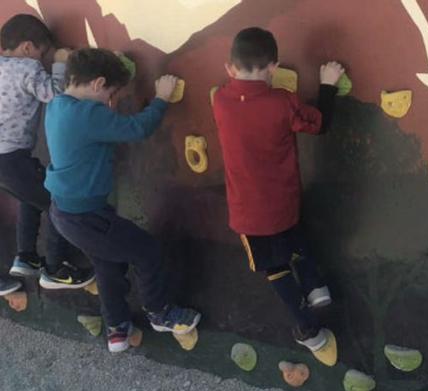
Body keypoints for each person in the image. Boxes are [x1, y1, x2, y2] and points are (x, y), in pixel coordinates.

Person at [43, 48, 200, 353]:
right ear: (98, 84)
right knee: (147, 250)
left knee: (107, 263)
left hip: (62, 212)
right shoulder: (89, 113)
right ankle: (160, 312)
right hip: (88, 216)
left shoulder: (57, 104)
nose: (111, 103)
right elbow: (139, 128)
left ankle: (117, 329)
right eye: (111, 94)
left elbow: (69, 73)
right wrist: (162, 98)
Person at [212, 27, 343, 366]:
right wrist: (328, 84)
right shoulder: (281, 102)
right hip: (283, 202)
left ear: (229, 68)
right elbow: (319, 124)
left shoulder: (221, 101)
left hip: (246, 213)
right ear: (273, 67)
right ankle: (316, 287)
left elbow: (240, 95)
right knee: (295, 238)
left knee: (275, 267)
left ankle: (307, 329)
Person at [0, 14, 94, 288]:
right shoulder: (27, 69)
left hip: (7, 162)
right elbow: (55, 94)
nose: (41, 59)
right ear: (28, 48)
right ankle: (55, 268)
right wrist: (60, 63)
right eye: (42, 54)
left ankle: (26, 256)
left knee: (31, 197)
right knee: (58, 201)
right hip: (11, 158)